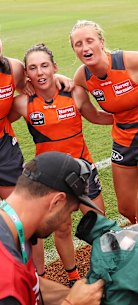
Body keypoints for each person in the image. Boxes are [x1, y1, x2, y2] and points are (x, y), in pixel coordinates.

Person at [9, 43, 112, 286]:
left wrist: (130, 118)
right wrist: (18, 83)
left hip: (82, 170)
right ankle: (73, 276)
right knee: (62, 228)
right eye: (33, 68)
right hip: (50, 178)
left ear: (55, 67)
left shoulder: (74, 92)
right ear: (27, 74)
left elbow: (95, 116)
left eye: (45, 66)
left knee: (99, 223)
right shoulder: (22, 103)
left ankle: (107, 272)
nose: (40, 72)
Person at [69, 20, 138, 224]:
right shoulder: (82, 76)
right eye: (78, 44)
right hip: (123, 139)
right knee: (126, 209)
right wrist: (123, 121)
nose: (85, 48)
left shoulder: (131, 61)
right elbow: (93, 115)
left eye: (90, 41)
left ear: (101, 42)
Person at [0, 151, 105, 305]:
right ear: (57, 202)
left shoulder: (16, 231)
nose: (65, 220)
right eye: (70, 212)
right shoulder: (6, 278)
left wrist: (90, 296)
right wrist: (72, 303)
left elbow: (34, 286)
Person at [0, 39, 72, 200]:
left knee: (18, 210)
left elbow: (29, 86)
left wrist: (55, 76)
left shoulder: (14, 68)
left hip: (4, 147)